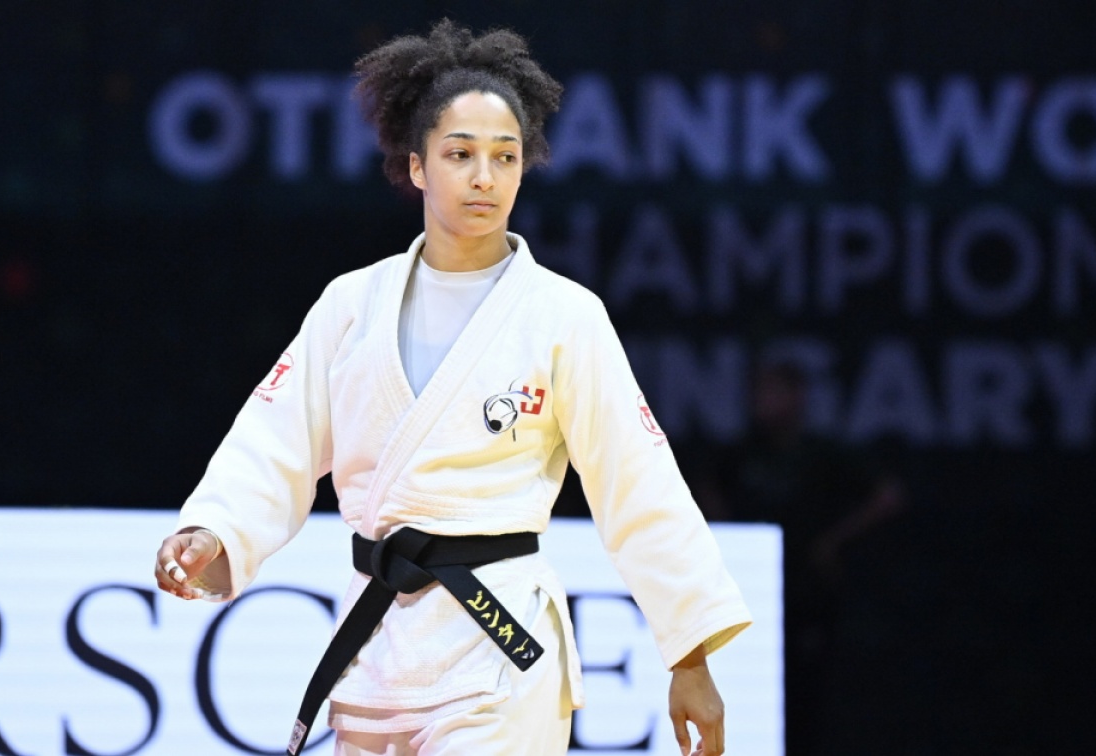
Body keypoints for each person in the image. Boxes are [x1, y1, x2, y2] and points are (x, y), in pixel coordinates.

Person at [153, 20, 751, 756]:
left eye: (505, 157)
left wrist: (689, 658)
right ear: (416, 166)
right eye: (460, 154)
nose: (484, 177)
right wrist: (214, 529)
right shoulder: (353, 304)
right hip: (378, 652)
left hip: (499, 652)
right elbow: (275, 444)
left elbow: (640, 484)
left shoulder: (563, 316)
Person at [706, 362, 904, 756]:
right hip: (751, 595)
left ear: (797, 397)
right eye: (758, 392)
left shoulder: (821, 453)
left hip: (806, 592)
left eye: (773, 392)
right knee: (747, 689)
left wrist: (833, 541)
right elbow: (702, 488)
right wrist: (728, 538)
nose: (762, 402)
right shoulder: (741, 453)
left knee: (805, 695)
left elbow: (888, 496)